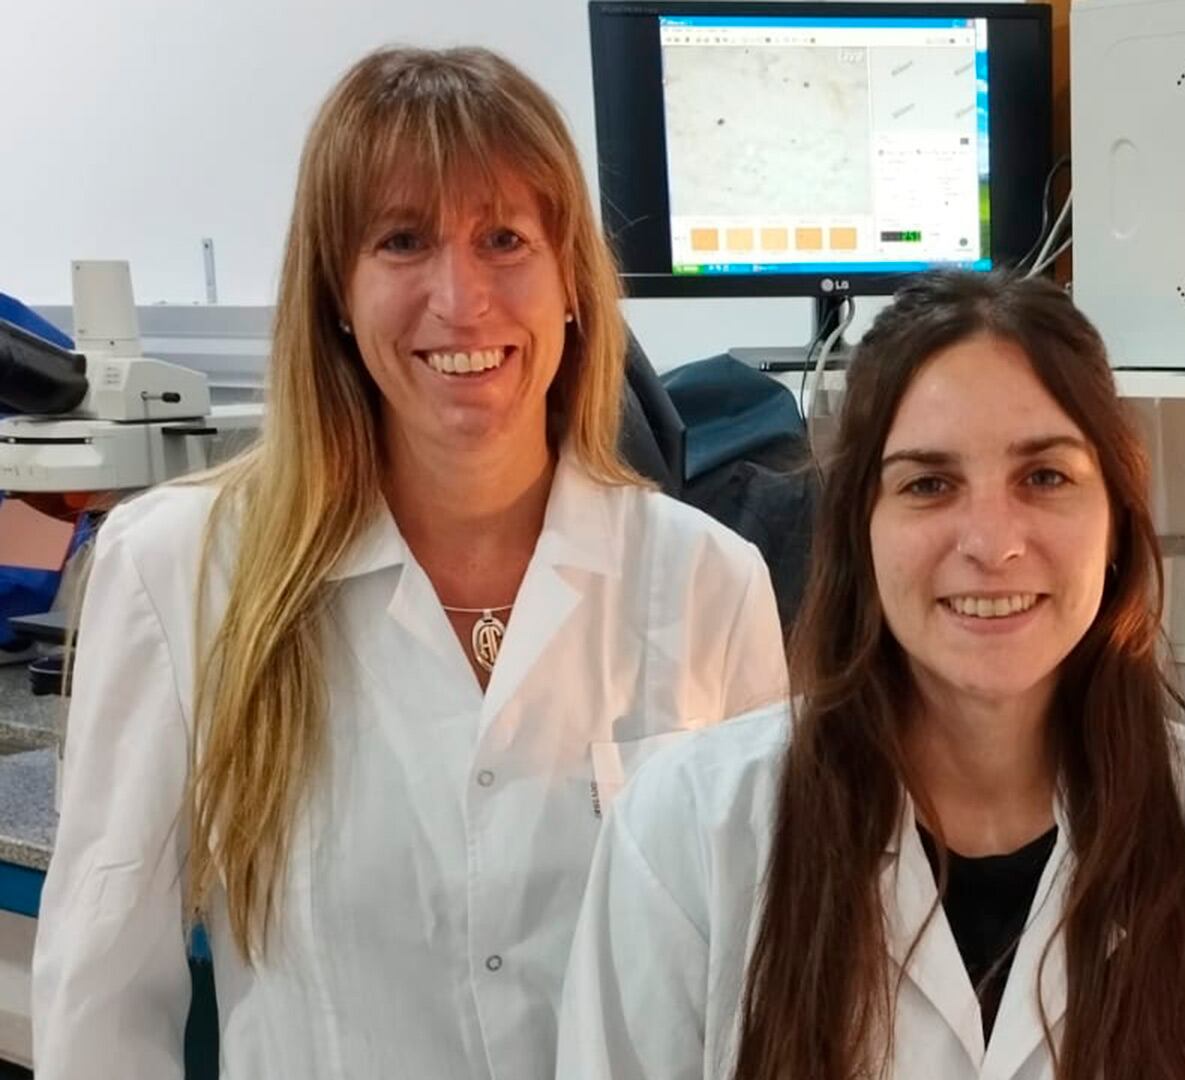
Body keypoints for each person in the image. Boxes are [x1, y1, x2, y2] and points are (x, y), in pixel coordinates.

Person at [32, 46, 787, 1078]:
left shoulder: (710, 581)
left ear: (572, 282)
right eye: (402, 240)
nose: (460, 296)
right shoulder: (179, 573)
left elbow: (763, 983)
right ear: (337, 293)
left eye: (505, 238)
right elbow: (101, 1013)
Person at [556, 270, 1185, 1079]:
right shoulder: (688, 836)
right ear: (859, 530)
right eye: (929, 483)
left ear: (1118, 522)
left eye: (1045, 477)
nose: (991, 544)